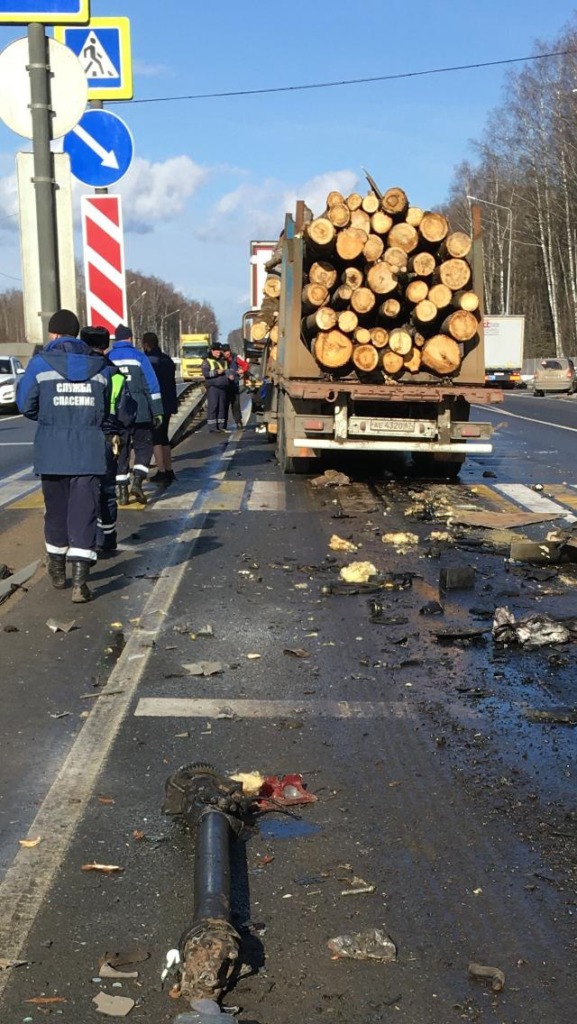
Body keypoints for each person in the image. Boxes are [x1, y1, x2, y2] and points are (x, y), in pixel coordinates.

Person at [16, 309, 113, 603]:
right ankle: (80, 583)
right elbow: (105, 409)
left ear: (54, 334)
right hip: (89, 449)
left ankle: (58, 571)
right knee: (84, 512)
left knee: (55, 510)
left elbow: (25, 404)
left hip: (52, 449)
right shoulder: (101, 367)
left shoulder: (39, 364)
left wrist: (50, 418)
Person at [81, 326, 137, 553]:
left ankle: (87, 539)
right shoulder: (114, 374)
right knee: (106, 490)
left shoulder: (77, 371)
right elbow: (126, 413)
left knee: (83, 490)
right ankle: (108, 538)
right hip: (108, 437)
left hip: (82, 437)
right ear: (106, 347)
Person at [108, 324, 163, 505]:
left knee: (120, 452)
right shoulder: (139, 357)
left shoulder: (108, 358)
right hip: (140, 412)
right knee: (143, 447)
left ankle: (122, 492)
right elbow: (151, 386)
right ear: (130, 339)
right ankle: (138, 481)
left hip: (117, 414)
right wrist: (157, 411)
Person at [141, 331, 178, 486]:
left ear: (146, 345)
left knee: (156, 439)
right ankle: (169, 470)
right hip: (169, 403)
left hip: (156, 404)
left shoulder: (148, 361)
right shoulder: (167, 360)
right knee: (164, 437)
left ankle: (161, 472)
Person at [201, 340, 229, 433]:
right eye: (216, 351)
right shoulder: (207, 361)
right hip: (213, 387)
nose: (218, 353)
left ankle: (221, 426)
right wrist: (217, 372)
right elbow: (206, 373)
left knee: (222, 407)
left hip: (223, 387)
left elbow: (227, 370)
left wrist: (231, 375)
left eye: (219, 351)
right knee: (213, 407)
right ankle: (212, 427)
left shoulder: (223, 360)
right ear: (212, 351)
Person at [221, 342, 248, 430]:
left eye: (228, 351)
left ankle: (239, 422)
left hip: (234, 385)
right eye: (225, 351)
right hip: (224, 385)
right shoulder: (220, 360)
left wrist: (242, 371)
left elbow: (245, 365)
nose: (227, 353)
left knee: (236, 405)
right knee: (224, 405)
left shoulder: (236, 357)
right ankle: (223, 424)